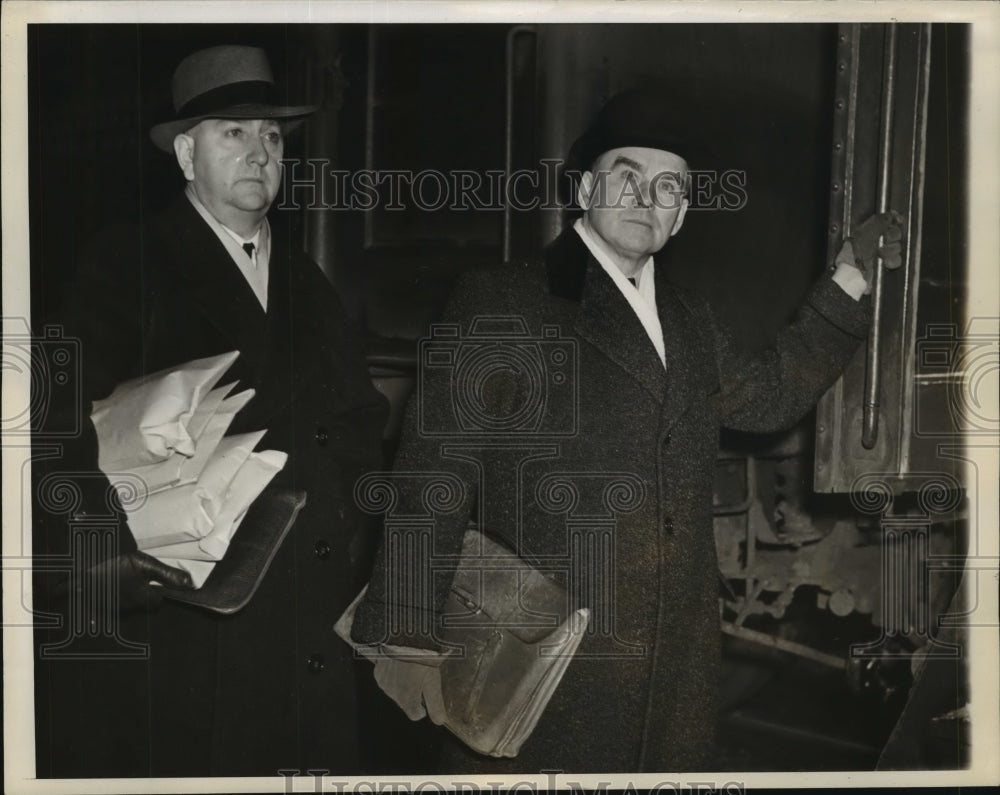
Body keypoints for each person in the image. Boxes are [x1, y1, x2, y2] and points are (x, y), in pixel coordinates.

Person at [350, 89, 903, 772]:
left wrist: (847, 279)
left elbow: (766, 400)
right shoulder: (508, 298)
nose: (648, 196)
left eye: (668, 184)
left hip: (671, 670)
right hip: (544, 657)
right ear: (584, 188)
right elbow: (434, 468)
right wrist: (406, 631)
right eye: (627, 175)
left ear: (684, 209)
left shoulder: (689, 318)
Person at [32, 45, 388, 777]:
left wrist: (348, 521)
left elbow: (357, 420)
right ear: (188, 155)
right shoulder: (126, 261)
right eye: (235, 132)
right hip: (189, 615)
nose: (259, 153)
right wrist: (106, 552)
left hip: (305, 610)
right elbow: (53, 421)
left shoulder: (307, 280)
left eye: (273, 137)